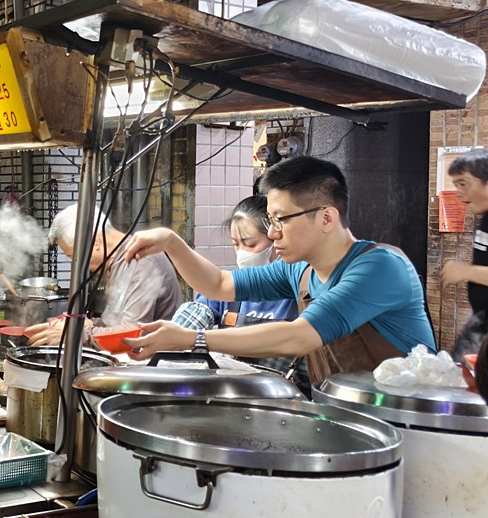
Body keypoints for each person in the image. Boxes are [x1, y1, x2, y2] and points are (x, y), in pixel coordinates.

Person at [123, 156, 436, 384]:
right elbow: (218, 284)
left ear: (326, 218)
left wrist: (194, 339)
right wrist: (172, 243)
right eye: (271, 221)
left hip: (407, 426)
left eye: (281, 220)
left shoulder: (380, 267)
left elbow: (299, 336)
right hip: (346, 413)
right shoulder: (300, 270)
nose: (273, 233)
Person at [192, 195, 309, 389]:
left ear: (276, 240)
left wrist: (203, 340)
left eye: (250, 244)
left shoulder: (301, 292)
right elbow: (196, 312)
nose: (241, 253)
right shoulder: (230, 288)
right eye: (236, 244)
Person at [25, 204, 181, 347]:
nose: (76, 266)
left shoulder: (141, 261)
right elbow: (115, 323)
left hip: (154, 364)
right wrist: (89, 324)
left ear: (95, 243)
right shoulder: (119, 261)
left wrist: (73, 335)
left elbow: (131, 335)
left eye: (73, 257)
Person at [442, 149, 488, 355]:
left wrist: (466, 271)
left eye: (463, 183)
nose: (459, 192)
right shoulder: (486, 217)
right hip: (481, 320)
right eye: (456, 185)